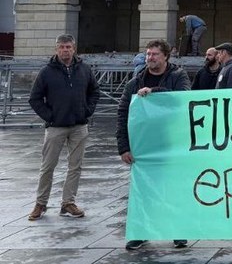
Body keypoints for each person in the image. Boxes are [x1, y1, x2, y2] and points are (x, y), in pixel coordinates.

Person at [116, 39, 191, 250]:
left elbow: (183, 97)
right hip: (144, 146)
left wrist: (154, 91)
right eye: (148, 54)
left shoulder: (178, 76)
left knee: (174, 188)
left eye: (155, 54)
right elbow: (123, 113)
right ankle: (141, 232)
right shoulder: (135, 82)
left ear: (166, 56)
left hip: (172, 143)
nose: (150, 58)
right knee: (143, 191)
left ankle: (178, 231)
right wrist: (123, 147)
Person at [27, 34, 100, 221]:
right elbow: (34, 99)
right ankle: (40, 203)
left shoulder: (84, 69)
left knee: (75, 166)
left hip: (79, 125)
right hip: (55, 127)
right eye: (61, 47)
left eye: (68, 47)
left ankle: (68, 202)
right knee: (48, 166)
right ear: (56, 49)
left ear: (74, 48)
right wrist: (50, 116)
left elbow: (94, 91)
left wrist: (87, 111)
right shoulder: (46, 72)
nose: (65, 50)